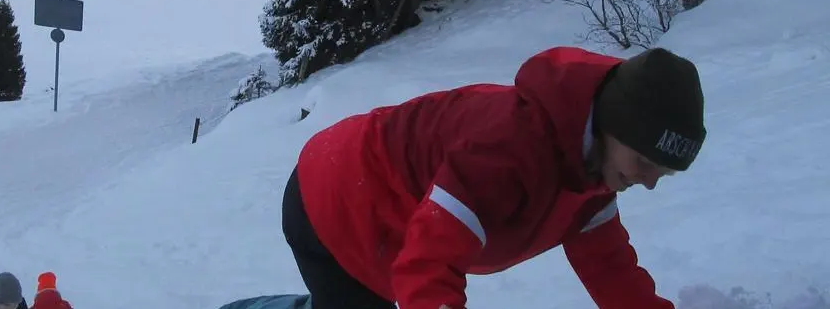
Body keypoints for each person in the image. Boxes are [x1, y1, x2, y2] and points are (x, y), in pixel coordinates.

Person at [282, 46, 706, 309]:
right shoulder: (509, 149)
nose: (649, 182)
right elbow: (430, 267)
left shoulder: (592, 171)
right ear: (614, 125)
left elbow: (611, 271)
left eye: (663, 172)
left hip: (397, 219)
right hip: (338, 199)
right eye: (644, 162)